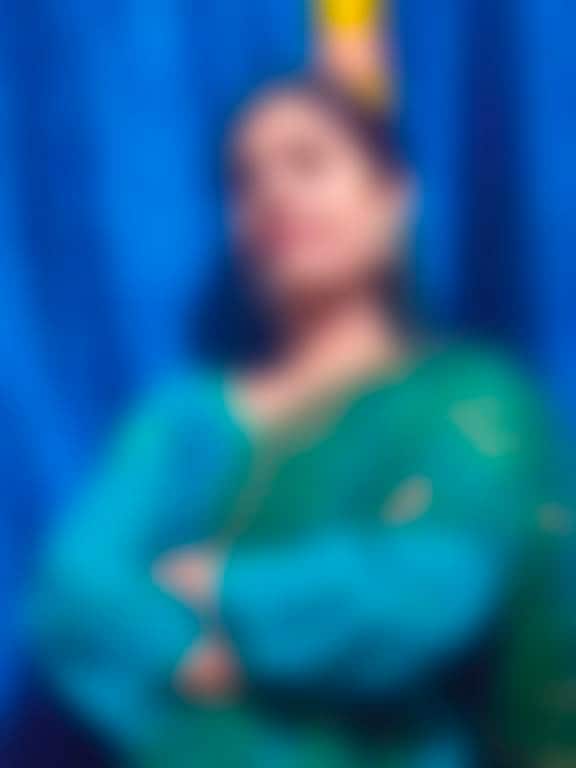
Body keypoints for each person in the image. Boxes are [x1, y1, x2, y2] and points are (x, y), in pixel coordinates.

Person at [32, 79, 576, 767]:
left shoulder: (471, 399)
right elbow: (71, 591)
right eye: (244, 180)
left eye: (308, 162)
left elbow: (428, 593)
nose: (274, 194)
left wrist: (220, 586)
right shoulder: (186, 415)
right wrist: (182, 650)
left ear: (394, 197)